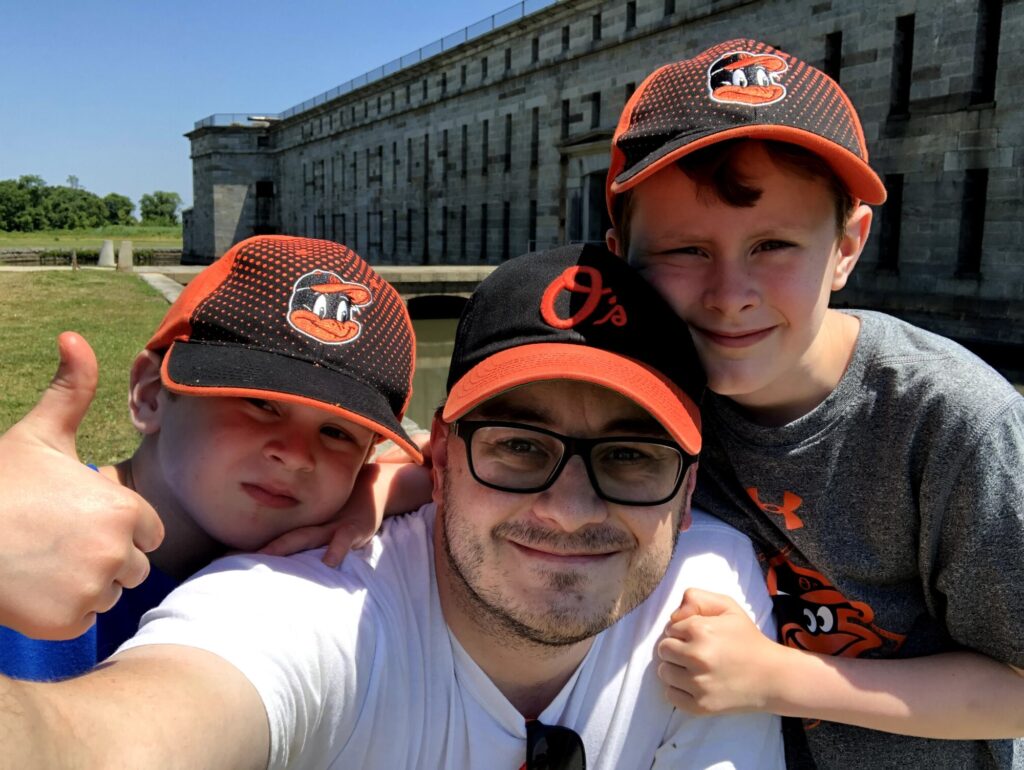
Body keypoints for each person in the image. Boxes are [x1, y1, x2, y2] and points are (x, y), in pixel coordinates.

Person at [0, 243, 785, 769]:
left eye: (341, 433)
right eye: (517, 445)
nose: (296, 455)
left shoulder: (713, 585)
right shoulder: (294, 600)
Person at [603, 39, 1024, 767]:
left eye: (773, 245)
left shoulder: (954, 421)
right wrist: (391, 485)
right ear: (620, 255)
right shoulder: (640, 383)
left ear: (847, 245)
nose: (730, 295)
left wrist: (776, 679)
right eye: (685, 251)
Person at [0, 234, 423, 681]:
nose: (295, 456)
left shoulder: (319, 533)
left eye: (336, 433)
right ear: (151, 395)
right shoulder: (26, 539)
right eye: (260, 404)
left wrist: (374, 494)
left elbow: (444, 469)